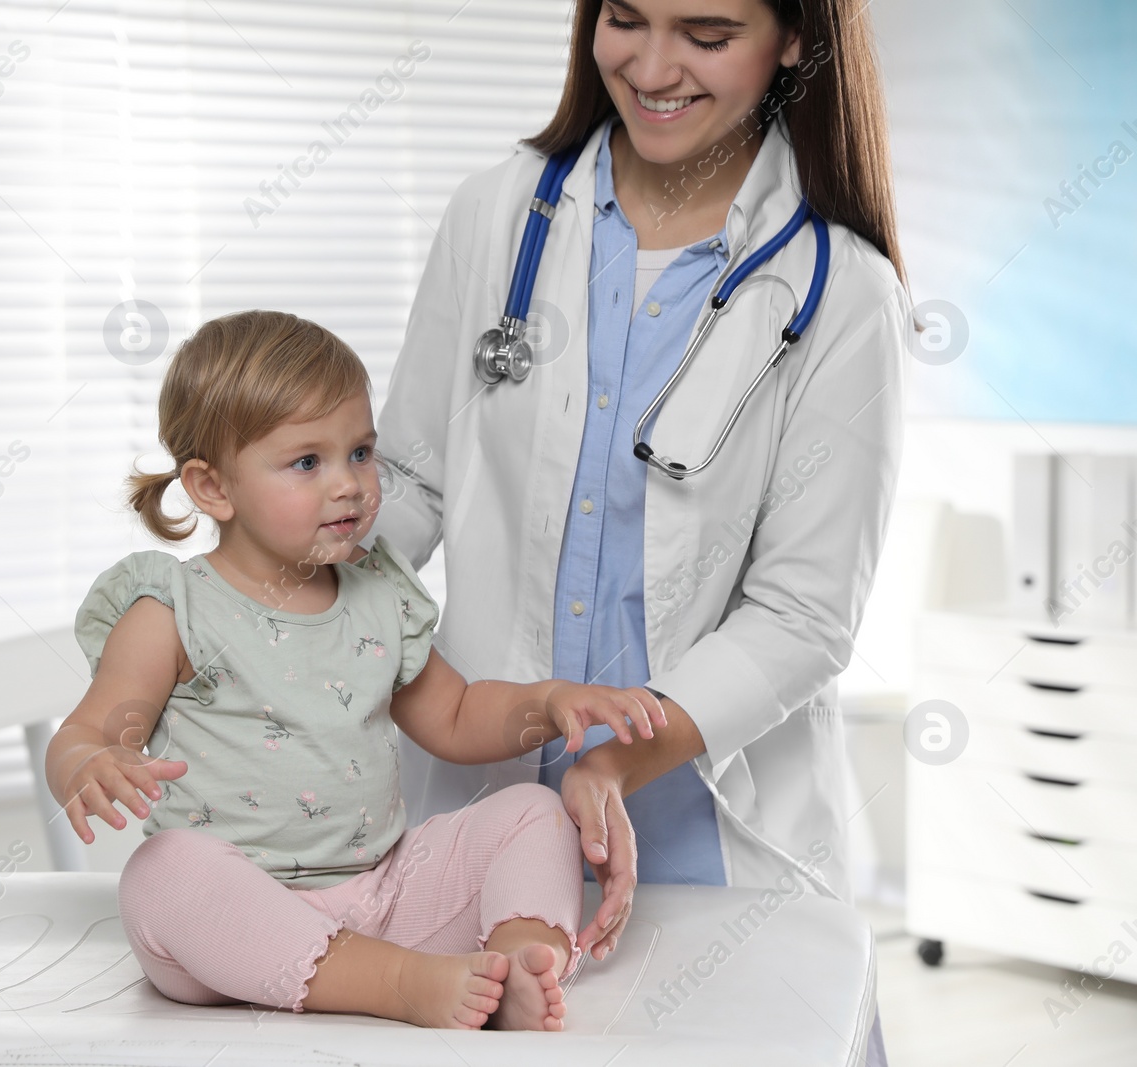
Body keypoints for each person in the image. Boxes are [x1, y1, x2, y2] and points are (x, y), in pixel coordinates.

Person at [358, 1, 910, 1060]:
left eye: (705, 36)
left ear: (794, 39)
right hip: (478, 804)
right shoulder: (496, 216)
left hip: (702, 825)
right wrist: (278, 583)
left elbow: (801, 614)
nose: (652, 67)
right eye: (624, 19)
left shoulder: (842, 292)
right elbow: (416, 479)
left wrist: (613, 763)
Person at [45, 309, 668, 1031]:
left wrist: (549, 701)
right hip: (233, 924)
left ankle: (518, 957)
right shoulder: (173, 611)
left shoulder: (378, 592)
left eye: (361, 452)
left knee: (532, 810)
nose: (349, 484)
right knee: (161, 874)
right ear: (214, 489)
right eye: (308, 462)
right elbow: (89, 730)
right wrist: (91, 761)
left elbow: (458, 715)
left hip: (383, 893)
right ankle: (401, 983)